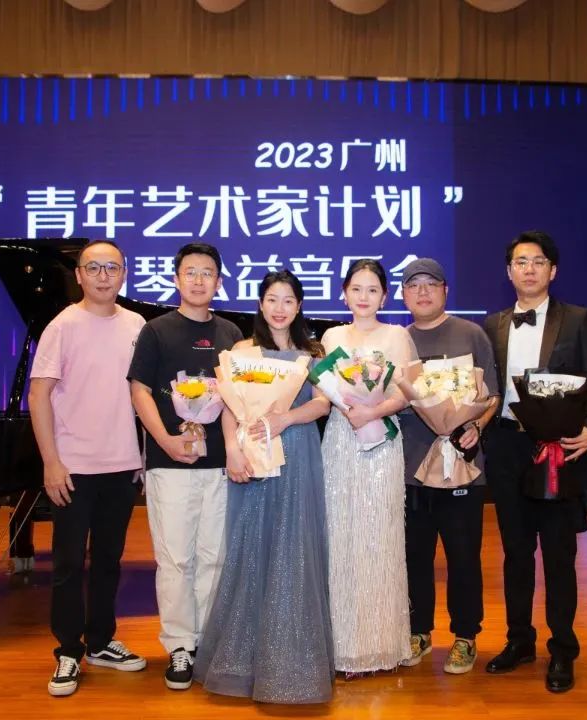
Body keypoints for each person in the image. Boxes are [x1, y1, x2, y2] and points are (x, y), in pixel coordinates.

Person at [193, 270, 335, 704]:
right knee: (251, 549)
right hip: (252, 455)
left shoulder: (313, 352)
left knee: (294, 550)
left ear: (299, 306)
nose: (279, 308)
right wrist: (231, 453)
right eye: (272, 299)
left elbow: (323, 403)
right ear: (260, 304)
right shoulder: (242, 351)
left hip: (298, 453)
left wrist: (285, 419)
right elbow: (229, 406)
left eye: (288, 300)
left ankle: (294, 667)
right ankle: (242, 664)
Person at [481, 231, 587, 693]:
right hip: (507, 449)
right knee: (516, 554)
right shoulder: (492, 325)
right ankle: (519, 641)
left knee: (558, 555)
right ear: (509, 271)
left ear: (552, 271)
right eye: (521, 262)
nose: (529, 269)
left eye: (538, 261)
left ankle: (563, 650)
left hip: (557, 449)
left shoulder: (576, 319)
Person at [27, 240, 149, 698]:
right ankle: (67, 650)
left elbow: (143, 396)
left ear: (124, 274)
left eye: (111, 267)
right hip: (74, 467)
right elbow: (38, 395)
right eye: (93, 267)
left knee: (108, 562)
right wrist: (51, 462)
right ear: (78, 275)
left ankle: (99, 641)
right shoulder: (62, 326)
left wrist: (143, 456)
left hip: (122, 465)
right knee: (67, 564)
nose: (103, 275)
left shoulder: (137, 325)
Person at [128, 242, 243, 691]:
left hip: (219, 465)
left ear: (219, 281)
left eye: (207, 272)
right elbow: (140, 391)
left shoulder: (231, 333)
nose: (198, 280)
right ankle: (179, 644)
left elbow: (238, 396)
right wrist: (166, 441)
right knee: (176, 558)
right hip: (169, 463)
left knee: (215, 557)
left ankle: (208, 642)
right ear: (176, 279)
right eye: (190, 272)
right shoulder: (156, 331)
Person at [397, 258, 499, 675]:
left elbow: (491, 396)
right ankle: (418, 631)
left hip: (462, 468)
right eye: (413, 285)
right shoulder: (398, 341)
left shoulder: (471, 334)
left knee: (463, 557)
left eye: (431, 284)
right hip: (410, 469)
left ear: (445, 290)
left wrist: (475, 425)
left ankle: (465, 636)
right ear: (403, 295)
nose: (422, 292)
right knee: (414, 557)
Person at [319, 258, 416, 675]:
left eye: (372, 290)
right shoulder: (332, 336)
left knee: (380, 535)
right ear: (344, 294)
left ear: (384, 296)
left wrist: (372, 411)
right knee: (340, 536)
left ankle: (381, 645)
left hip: (382, 442)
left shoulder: (397, 335)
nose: (363, 297)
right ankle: (342, 646)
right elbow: (326, 388)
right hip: (340, 439)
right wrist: (350, 410)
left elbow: (407, 392)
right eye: (356, 289)